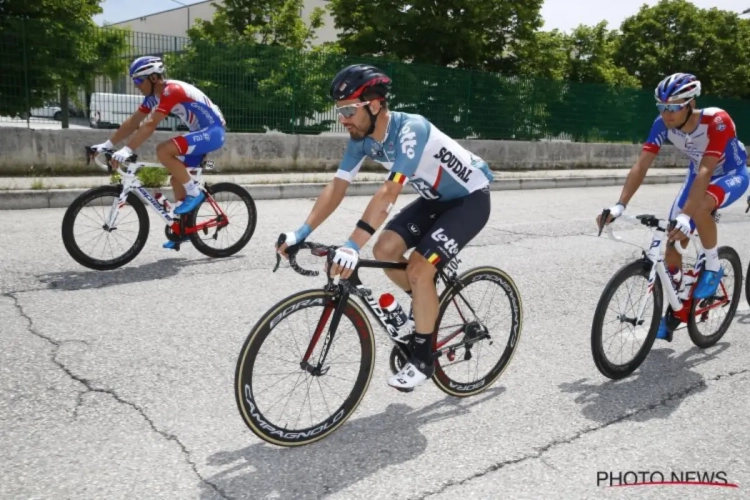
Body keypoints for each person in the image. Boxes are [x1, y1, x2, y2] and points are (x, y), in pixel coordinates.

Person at [276, 64, 495, 391]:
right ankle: (425, 305)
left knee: (421, 270)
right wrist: (301, 232)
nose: (343, 119)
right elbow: (337, 187)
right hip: (435, 200)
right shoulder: (362, 139)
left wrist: (352, 244)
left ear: (375, 104)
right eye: (340, 111)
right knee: (385, 249)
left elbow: (389, 191)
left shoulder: (410, 130)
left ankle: (423, 357)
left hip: (469, 201)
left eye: (349, 110)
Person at [597, 72, 749, 341]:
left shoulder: (717, 120)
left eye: (673, 107)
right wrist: (620, 205)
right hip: (697, 174)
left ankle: (713, 266)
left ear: (690, 104)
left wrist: (686, 216)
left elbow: (706, 169)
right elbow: (642, 164)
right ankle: (677, 305)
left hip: (729, 173)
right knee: (671, 244)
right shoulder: (662, 124)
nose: (666, 114)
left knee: (699, 209)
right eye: (662, 107)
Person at [90, 55, 227, 249]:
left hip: (213, 132)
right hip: (200, 132)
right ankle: (185, 228)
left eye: (138, 80)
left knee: (163, 150)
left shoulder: (172, 91)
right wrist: (106, 144)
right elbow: (134, 122)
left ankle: (195, 193)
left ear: (153, 78)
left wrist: (128, 149)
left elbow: (151, 124)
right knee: (176, 179)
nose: (136, 85)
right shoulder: (153, 96)